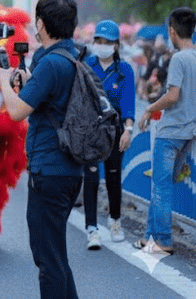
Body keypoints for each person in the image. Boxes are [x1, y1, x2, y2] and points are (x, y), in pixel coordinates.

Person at [0, 0, 82, 298]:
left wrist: (3, 81)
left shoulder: (51, 65)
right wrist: (27, 81)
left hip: (50, 167)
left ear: (42, 25)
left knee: (47, 258)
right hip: (69, 169)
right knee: (56, 255)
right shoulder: (72, 57)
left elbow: (16, 111)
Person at [136, 7, 196, 255]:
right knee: (162, 184)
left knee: (160, 187)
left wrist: (149, 108)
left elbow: (172, 95)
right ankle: (151, 236)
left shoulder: (179, 59)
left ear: (172, 31)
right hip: (188, 133)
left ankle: (162, 239)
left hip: (170, 131)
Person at [82, 20, 135, 249]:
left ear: (116, 45)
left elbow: (128, 103)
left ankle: (115, 221)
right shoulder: (85, 65)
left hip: (115, 129)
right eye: (99, 41)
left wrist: (129, 130)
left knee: (113, 177)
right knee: (91, 178)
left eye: (108, 42)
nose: (103, 45)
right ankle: (92, 229)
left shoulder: (125, 70)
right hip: (91, 130)